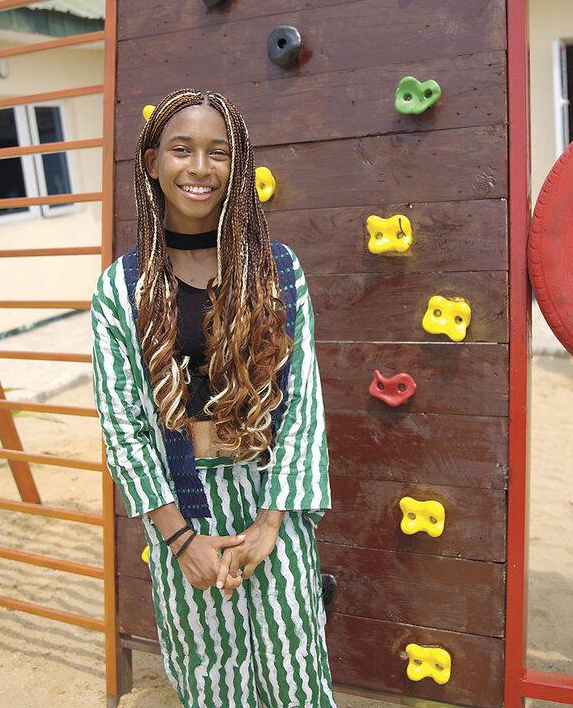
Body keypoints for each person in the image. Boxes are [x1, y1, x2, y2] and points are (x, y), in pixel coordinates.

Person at [90, 87, 336, 708]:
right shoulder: (120, 289)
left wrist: (273, 520)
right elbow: (122, 425)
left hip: (267, 493)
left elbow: (302, 399)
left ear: (238, 164)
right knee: (209, 670)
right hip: (182, 503)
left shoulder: (278, 270)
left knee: (293, 657)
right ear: (152, 163)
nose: (199, 168)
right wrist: (178, 539)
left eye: (218, 153)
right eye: (181, 150)